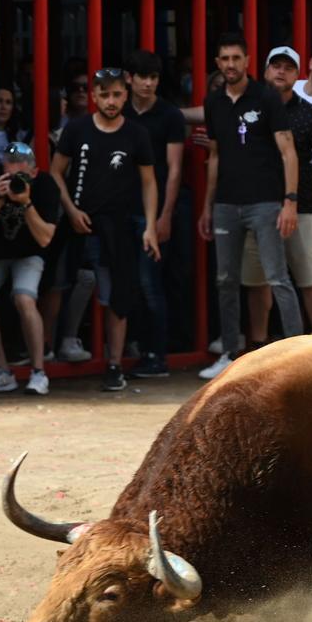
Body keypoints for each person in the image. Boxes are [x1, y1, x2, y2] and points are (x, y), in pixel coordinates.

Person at [50, 67, 158, 392]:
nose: (111, 101)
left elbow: (149, 181)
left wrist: (151, 226)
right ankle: (43, 358)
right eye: (104, 94)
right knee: (58, 283)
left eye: (116, 95)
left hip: (118, 227)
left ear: (125, 95)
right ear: (94, 96)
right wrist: (70, 210)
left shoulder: (137, 134)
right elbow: (55, 172)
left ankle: (113, 364)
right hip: (77, 224)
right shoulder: (77, 129)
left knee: (117, 296)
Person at [198, 34, 299, 380]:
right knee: (226, 279)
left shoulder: (267, 97)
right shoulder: (213, 102)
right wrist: (208, 206)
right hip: (227, 201)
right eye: (224, 58)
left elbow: (288, 151)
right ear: (217, 62)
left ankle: (299, 352)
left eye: (236, 58)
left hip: (266, 201)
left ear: (247, 60)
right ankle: (228, 353)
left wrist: (290, 201)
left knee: (277, 277)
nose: (230, 64)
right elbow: (214, 156)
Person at [252, 46, 312, 336]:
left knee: (311, 279)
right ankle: (259, 347)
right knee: (260, 281)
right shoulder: (252, 104)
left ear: (297, 72)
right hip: (258, 203)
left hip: (305, 203)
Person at [0, 140, 59, 396]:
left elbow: (45, 238)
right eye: (9, 172)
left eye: (20, 174)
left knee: (24, 298)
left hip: (29, 252)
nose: (14, 180)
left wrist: (26, 202)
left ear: (33, 172)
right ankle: (2, 372)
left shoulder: (45, 185)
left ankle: (39, 372)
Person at [124, 48, 186, 378]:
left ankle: (156, 354)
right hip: (123, 210)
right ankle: (134, 347)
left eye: (153, 78)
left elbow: (175, 170)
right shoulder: (119, 112)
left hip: (153, 213)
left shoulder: (169, 116)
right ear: (129, 79)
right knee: (128, 284)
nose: (148, 84)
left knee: (152, 286)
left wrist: (165, 216)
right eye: (143, 77)